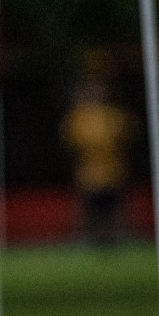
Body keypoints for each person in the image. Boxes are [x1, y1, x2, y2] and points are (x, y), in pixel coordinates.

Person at [61, 75, 133, 247]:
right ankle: (89, 237)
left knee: (114, 207)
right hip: (88, 173)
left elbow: (124, 135)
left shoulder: (113, 115)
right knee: (89, 208)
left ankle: (118, 236)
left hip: (112, 171)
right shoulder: (78, 117)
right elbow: (72, 141)